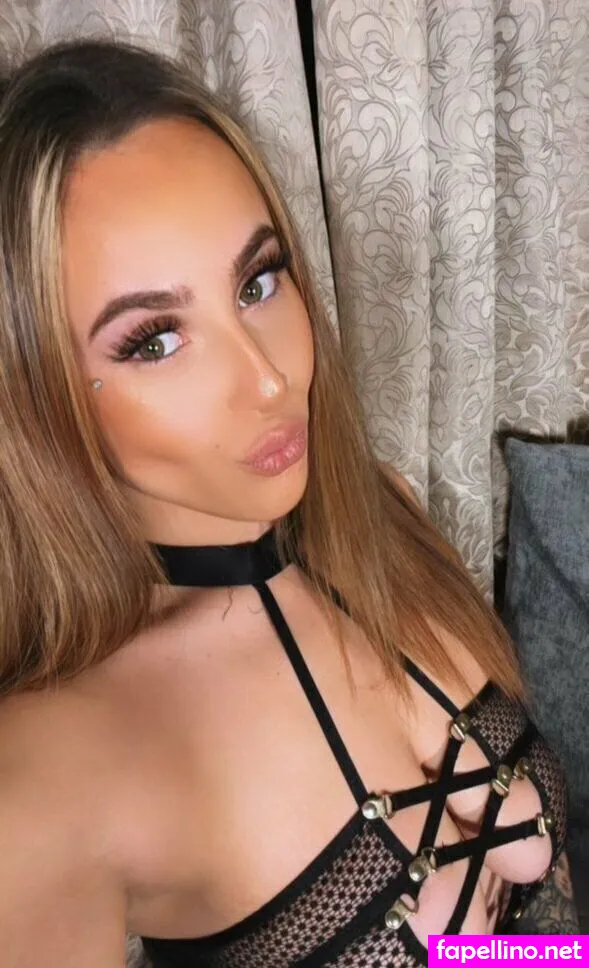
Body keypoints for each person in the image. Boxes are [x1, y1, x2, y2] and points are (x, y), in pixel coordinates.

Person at [0, 39, 570, 968]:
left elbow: (517, 927)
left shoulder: (377, 514)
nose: (268, 380)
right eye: (154, 341)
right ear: (29, 397)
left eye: (257, 282)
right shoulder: (44, 777)